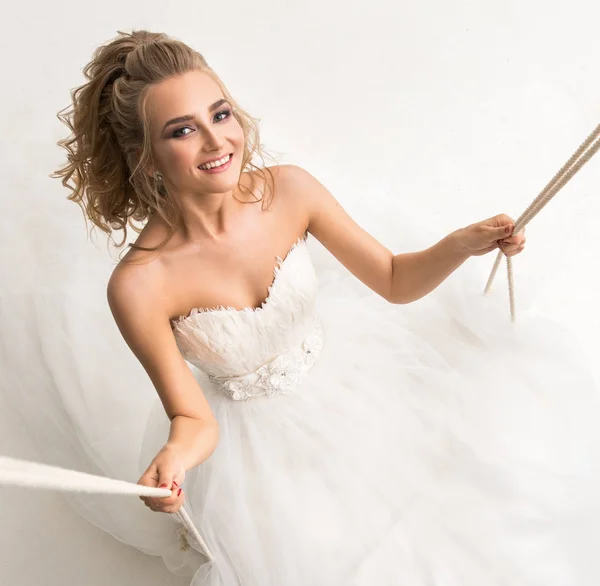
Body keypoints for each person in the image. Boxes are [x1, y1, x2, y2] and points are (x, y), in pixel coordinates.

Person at [43, 29, 600, 585]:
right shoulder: (139, 285)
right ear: (143, 157)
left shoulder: (290, 191)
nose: (216, 142)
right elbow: (193, 418)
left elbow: (392, 278)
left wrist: (463, 243)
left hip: (358, 389)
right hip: (260, 456)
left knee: (446, 519)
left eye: (220, 114)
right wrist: (176, 457)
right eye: (183, 130)